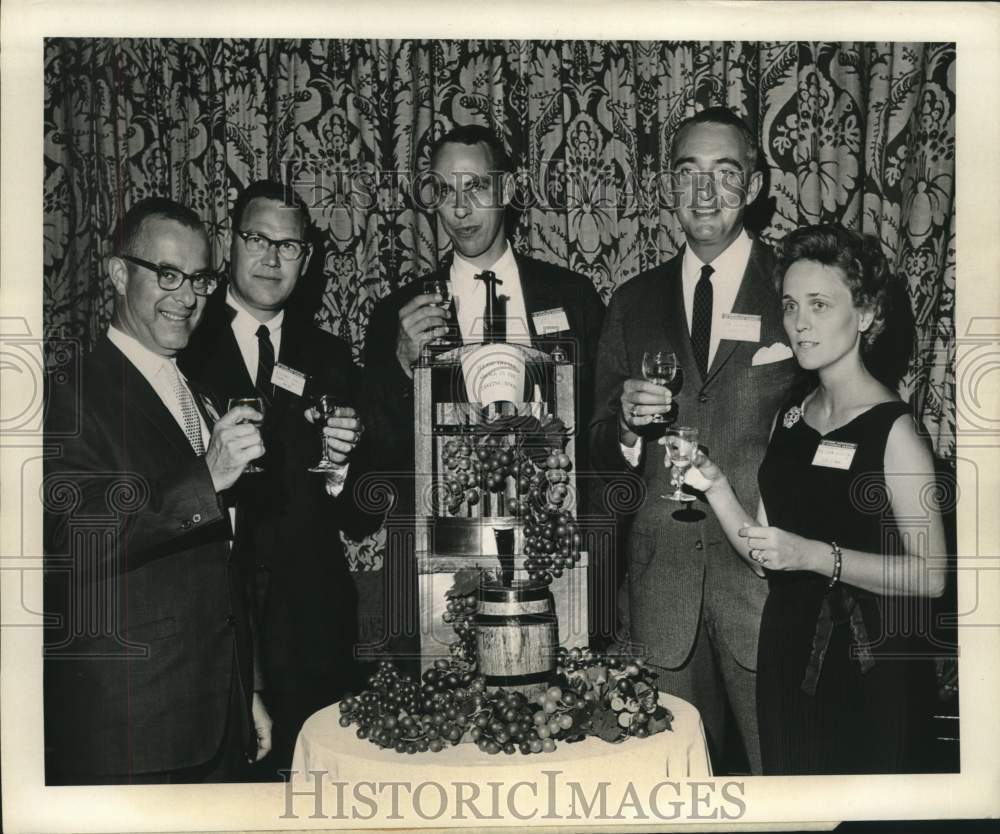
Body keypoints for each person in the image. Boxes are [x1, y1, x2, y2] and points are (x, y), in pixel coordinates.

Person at [684, 223, 944, 774]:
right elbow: (765, 557)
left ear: (867, 314)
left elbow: (931, 576)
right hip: (788, 647)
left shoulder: (894, 430)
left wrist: (813, 556)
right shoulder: (791, 418)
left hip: (871, 661)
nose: (800, 323)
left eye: (820, 305)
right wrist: (716, 486)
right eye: (790, 305)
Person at [589, 107, 799, 774]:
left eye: (724, 173)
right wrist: (622, 426)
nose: (704, 194)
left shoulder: (796, 290)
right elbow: (595, 451)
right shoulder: (631, 301)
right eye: (688, 174)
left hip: (764, 594)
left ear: (756, 184)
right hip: (661, 596)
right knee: (667, 793)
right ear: (666, 187)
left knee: (781, 791)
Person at [43, 197, 270, 784]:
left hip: (212, 715)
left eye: (199, 278)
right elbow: (71, 535)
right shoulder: (69, 390)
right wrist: (207, 478)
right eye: (167, 275)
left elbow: (219, 567)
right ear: (119, 274)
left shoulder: (193, 390)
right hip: (134, 727)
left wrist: (244, 691)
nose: (187, 296)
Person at [362, 124, 606, 669]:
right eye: (444, 191)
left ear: (510, 188)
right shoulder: (398, 314)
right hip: (440, 551)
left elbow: (598, 432)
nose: (459, 209)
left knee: (553, 709)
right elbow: (377, 454)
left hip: (551, 549)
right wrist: (403, 365)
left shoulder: (573, 297)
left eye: (476, 187)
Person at [180, 180, 380, 779]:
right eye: (256, 239)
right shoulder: (182, 339)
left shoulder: (331, 356)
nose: (270, 258)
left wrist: (343, 466)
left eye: (288, 246)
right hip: (214, 626)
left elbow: (360, 515)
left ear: (307, 259)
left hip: (314, 628)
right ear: (229, 243)